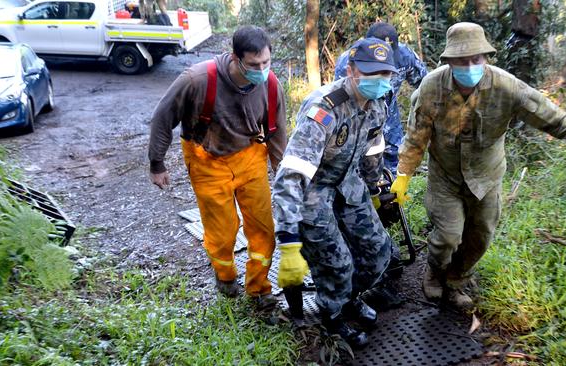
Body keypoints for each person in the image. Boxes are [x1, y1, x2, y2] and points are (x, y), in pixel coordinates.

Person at [390, 22, 566, 309]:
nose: (470, 65)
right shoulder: (430, 88)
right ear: (449, 61)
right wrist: (403, 174)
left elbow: (554, 118)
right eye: (462, 60)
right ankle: (435, 274)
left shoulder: (507, 87)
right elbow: (416, 137)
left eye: (476, 59)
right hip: (445, 177)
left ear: (486, 58)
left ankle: (456, 279)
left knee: (481, 237)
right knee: (447, 237)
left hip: (486, 177)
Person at [148, 26, 287, 309]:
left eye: (266, 62)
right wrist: (157, 162)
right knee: (222, 230)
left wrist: (283, 173)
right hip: (206, 160)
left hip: (250, 157)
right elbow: (162, 117)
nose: (261, 70)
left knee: (263, 227)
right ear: (235, 58)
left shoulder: (271, 86)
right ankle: (225, 275)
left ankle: (260, 289)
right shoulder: (198, 79)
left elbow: (276, 132)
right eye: (253, 64)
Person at [273, 38, 397, 348]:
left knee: (379, 253)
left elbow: (373, 150)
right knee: (337, 264)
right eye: (371, 74)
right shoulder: (325, 108)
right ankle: (333, 315)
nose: (379, 82)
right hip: (315, 192)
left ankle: (349, 297)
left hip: (349, 185)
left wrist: (376, 188)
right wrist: (288, 239)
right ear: (352, 71)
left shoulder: (378, 105)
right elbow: (293, 174)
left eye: (385, 75)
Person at [334, 22, 428, 175]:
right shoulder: (349, 62)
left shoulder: (405, 56)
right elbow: (341, 100)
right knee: (356, 160)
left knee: (393, 159)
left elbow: (426, 85)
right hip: (357, 115)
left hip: (388, 113)